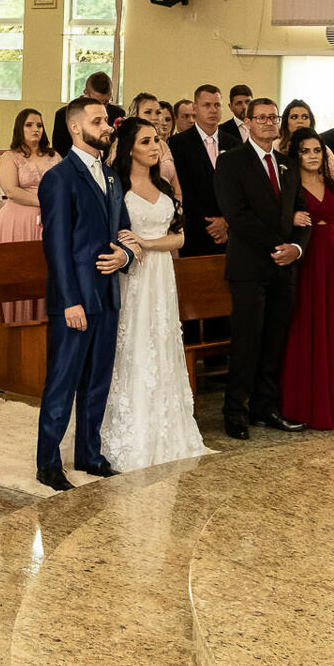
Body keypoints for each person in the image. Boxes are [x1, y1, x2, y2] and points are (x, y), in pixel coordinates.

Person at [34, 97, 138, 491]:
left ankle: (89, 454)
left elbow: (124, 230)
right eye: (98, 121)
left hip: (107, 294)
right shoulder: (59, 178)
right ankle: (47, 463)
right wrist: (69, 301)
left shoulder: (110, 176)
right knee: (63, 381)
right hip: (75, 298)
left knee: (98, 381)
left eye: (106, 121)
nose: (107, 127)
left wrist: (125, 255)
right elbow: (57, 247)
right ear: (76, 128)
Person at [102, 117, 207, 470]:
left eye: (157, 140)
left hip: (161, 275)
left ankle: (167, 429)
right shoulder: (116, 186)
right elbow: (113, 233)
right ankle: (126, 431)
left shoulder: (163, 184)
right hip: (133, 277)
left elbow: (180, 237)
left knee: (161, 341)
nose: (155, 147)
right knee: (133, 343)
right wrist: (133, 247)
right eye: (146, 141)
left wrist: (146, 242)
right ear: (129, 148)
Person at [214, 97, 311, 440]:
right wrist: (278, 246)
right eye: (262, 118)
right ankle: (235, 410)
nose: (269, 123)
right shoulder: (231, 162)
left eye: (274, 117)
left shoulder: (287, 163)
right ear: (249, 122)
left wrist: (297, 248)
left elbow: (303, 213)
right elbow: (237, 215)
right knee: (247, 342)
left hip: (285, 268)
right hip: (249, 266)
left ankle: (265, 407)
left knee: (274, 341)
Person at [278, 131, 334, 431]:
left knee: (328, 330)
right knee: (303, 328)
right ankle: (300, 404)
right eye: (305, 151)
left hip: (330, 262)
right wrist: (291, 218)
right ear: (296, 154)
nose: (312, 156)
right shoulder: (288, 184)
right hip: (304, 262)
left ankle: (328, 404)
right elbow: (277, 220)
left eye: (317, 150)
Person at [169, 83, 240, 257]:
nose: (213, 110)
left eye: (217, 105)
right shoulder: (178, 144)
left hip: (230, 233)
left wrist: (226, 221)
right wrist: (210, 224)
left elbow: (240, 189)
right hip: (194, 232)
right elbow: (183, 189)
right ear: (195, 108)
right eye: (206, 105)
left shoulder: (234, 144)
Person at [0, 107, 58, 248]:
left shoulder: (54, 156)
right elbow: (11, 191)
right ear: (19, 129)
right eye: (29, 125)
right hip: (17, 219)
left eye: (39, 125)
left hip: (50, 218)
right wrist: (45, 202)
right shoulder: (9, 157)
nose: (35, 129)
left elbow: (64, 185)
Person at [51, 70, 125, 158]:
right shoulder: (63, 115)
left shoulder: (117, 114)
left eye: (106, 102)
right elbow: (60, 151)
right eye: (98, 102)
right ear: (86, 93)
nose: (102, 107)